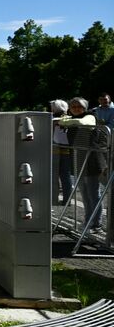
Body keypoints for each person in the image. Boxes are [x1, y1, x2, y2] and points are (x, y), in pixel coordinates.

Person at [60, 97, 106, 234]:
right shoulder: (72, 119)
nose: (76, 109)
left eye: (79, 106)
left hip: (91, 160)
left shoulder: (90, 116)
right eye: (73, 106)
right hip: (78, 160)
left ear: (84, 107)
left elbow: (81, 122)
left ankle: (96, 224)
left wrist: (65, 121)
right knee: (85, 195)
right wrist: (65, 121)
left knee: (93, 194)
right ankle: (88, 221)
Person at [51, 99, 74, 206]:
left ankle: (53, 199)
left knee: (54, 174)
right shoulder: (70, 118)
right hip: (67, 148)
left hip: (54, 147)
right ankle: (67, 199)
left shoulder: (52, 119)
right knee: (66, 175)